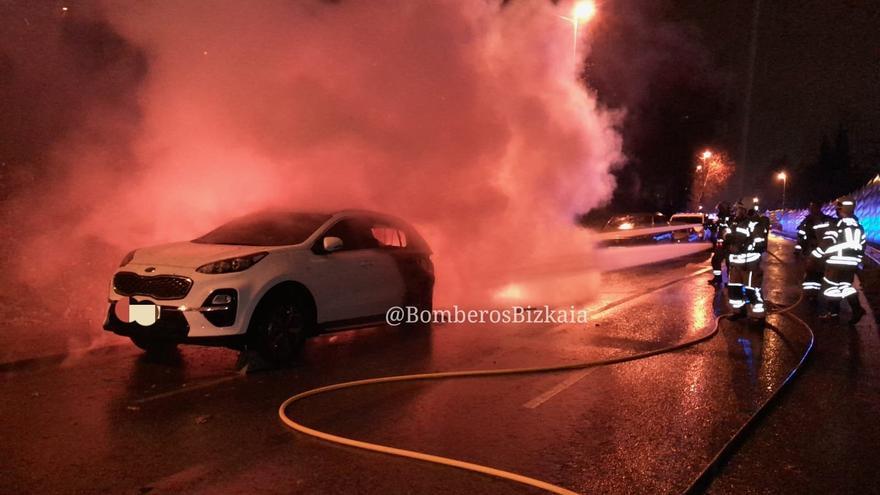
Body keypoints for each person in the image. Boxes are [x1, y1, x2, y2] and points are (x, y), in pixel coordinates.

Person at [816, 197, 867, 324]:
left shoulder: (837, 225)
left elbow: (828, 242)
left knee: (831, 287)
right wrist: (857, 260)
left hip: (836, 261)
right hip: (851, 263)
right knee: (845, 286)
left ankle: (833, 314)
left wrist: (816, 254)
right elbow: (863, 245)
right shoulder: (859, 227)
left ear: (840, 209)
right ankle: (857, 309)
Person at [724, 201, 765, 322]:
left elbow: (759, 242)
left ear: (745, 211)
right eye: (736, 209)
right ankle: (738, 311)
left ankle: (758, 316)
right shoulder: (733, 223)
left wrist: (746, 246)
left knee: (751, 289)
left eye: (739, 209)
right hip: (735, 262)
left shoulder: (754, 224)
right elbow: (727, 235)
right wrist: (727, 238)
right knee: (734, 289)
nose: (736, 212)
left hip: (749, 263)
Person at [797, 202, 833, 301]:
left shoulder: (821, 220)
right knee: (813, 271)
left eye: (813, 208)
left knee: (815, 272)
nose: (811, 210)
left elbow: (801, 234)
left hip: (816, 249)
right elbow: (801, 233)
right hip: (814, 249)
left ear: (818, 208)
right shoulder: (809, 220)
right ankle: (812, 294)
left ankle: (812, 294)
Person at [707, 201, 732, 287]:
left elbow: (727, 228)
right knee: (715, 261)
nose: (718, 211)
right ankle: (718, 279)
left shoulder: (730, 218)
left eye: (720, 209)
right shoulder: (719, 217)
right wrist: (710, 225)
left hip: (729, 244)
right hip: (720, 244)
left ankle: (730, 281)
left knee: (730, 263)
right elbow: (715, 228)